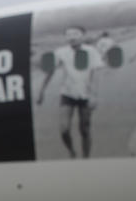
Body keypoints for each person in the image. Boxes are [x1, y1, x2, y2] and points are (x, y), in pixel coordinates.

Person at [36, 25, 103, 158]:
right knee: (64, 129)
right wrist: (41, 91)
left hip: (86, 95)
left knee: (84, 130)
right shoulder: (61, 52)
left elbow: (96, 74)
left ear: (83, 36)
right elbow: (50, 71)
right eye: (68, 34)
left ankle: (86, 158)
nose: (72, 37)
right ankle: (72, 151)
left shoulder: (92, 51)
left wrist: (94, 96)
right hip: (67, 94)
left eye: (75, 34)